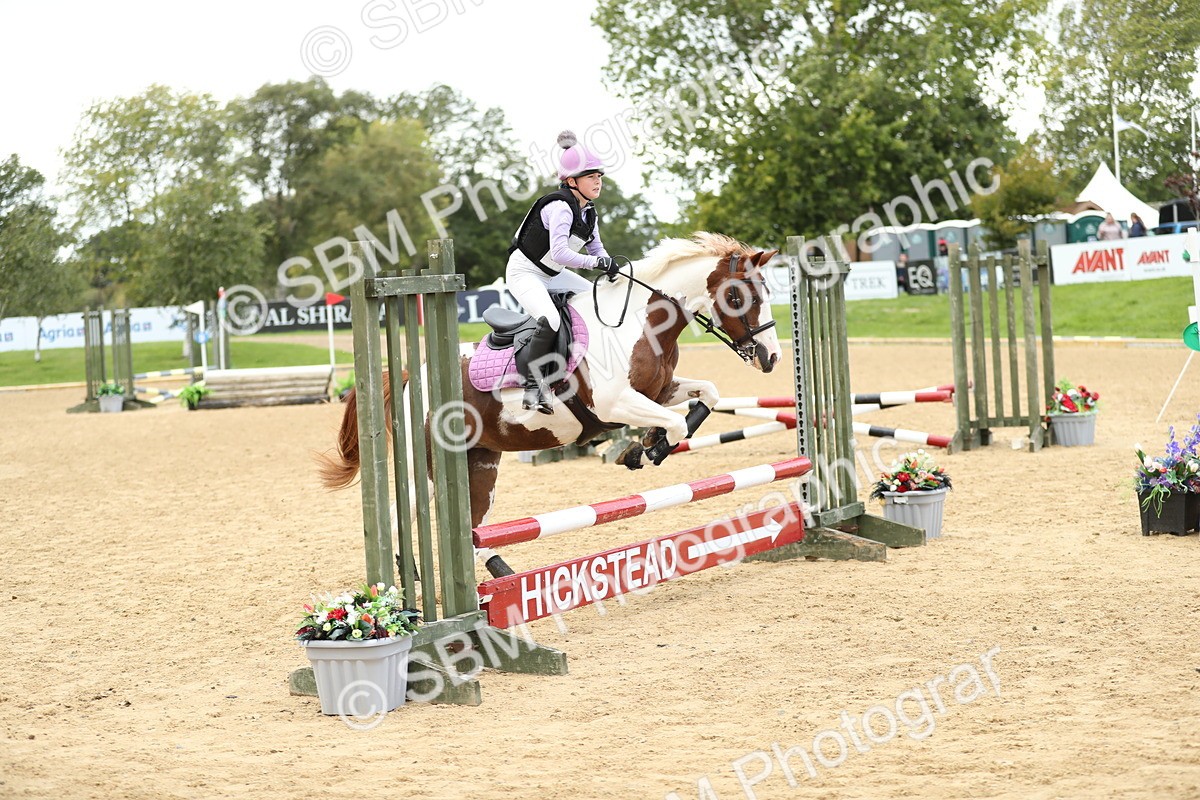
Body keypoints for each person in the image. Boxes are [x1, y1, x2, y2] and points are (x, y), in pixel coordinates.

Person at [506, 130, 618, 414]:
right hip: (525, 272)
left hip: (553, 273)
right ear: (572, 181)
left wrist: (611, 268)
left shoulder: (588, 212)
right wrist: (596, 265)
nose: (598, 181)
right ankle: (533, 384)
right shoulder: (560, 207)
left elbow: (597, 249)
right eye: (591, 176)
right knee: (549, 319)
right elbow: (559, 254)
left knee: (596, 299)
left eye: (599, 176)